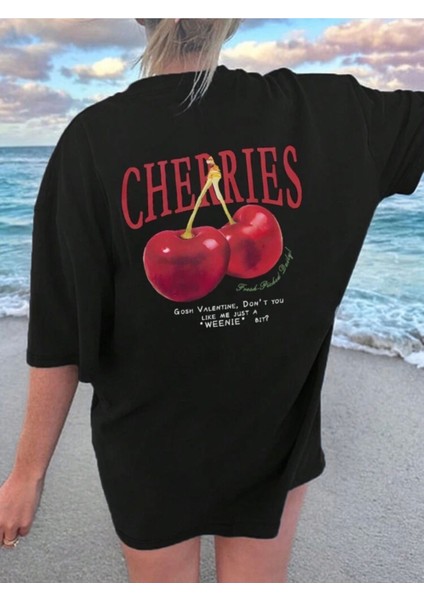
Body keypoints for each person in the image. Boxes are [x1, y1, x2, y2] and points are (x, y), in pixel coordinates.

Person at [0, 18, 423, 583]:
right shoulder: (333, 113)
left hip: (146, 447)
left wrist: (27, 474)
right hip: (273, 435)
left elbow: (60, 326)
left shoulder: (94, 139)